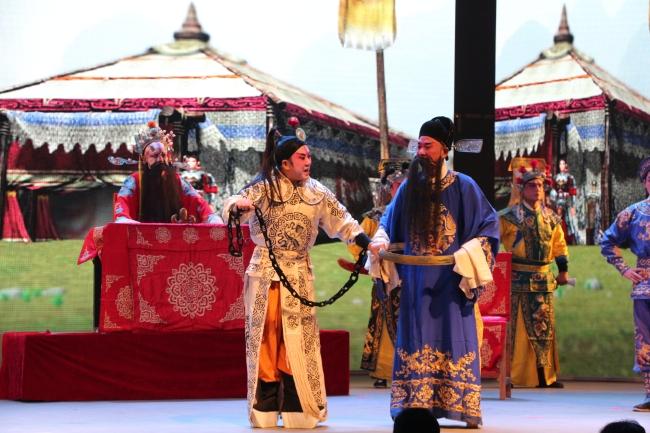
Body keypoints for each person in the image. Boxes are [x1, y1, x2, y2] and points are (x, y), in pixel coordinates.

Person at [222, 124, 371, 429]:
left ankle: (298, 405)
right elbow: (230, 208)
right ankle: (264, 405)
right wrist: (237, 206)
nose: (308, 162)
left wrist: (365, 242)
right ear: (285, 163)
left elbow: (344, 221)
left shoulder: (317, 192)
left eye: (309, 157)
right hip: (265, 272)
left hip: (299, 272)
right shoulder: (263, 188)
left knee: (299, 339)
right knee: (265, 336)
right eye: (302, 157)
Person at [368, 116, 499, 428]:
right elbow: (387, 222)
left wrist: (467, 254)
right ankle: (414, 407)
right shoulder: (409, 188)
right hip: (416, 284)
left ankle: (460, 405)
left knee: (454, 341)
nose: (421, 152)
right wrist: (381, 240)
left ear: (444, 149)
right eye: (420, 146)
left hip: (451, 283)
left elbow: (489, 228)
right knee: (415, 340)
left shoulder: (464, 186)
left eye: (428, 146)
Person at [499, 159, 570, 388]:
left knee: (544, 327)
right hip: (518, 280)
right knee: (520, 329)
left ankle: (546, 377)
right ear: (522, 189)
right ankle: (517, 375)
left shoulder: (551, 217)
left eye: (540, 185)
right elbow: (490, 242)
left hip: (544, 280)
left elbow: (559, 246)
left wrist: (563, 272)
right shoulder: (509, 217)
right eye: (532, 185)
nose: (537, 189)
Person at [348, 161, 407, 388]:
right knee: (384, 317)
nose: (402, 189)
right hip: (385, 275)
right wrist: (371, 256)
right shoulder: (375, 217)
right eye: (397, 185)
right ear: (389, 188)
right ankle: (384, 370)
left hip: (412, 274)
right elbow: (356, 243)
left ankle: (410, 368)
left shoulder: (419, 214)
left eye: (406, 184)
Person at [600, 157, 650, 412]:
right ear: (645, 182)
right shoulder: (633, 213)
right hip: (645, 286)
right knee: (646, 340)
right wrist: (625, 268)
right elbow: (607, 241)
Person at [114, 121, 222, 224]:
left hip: (173, 232)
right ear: (143, 158)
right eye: (154, 156)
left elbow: (198, 202)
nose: (160, 160)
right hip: (142, 233)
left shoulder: (177, 180)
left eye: (163, 155)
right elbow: (122, 204)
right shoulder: (134, 181)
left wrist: (210, 217)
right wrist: (123, 219)